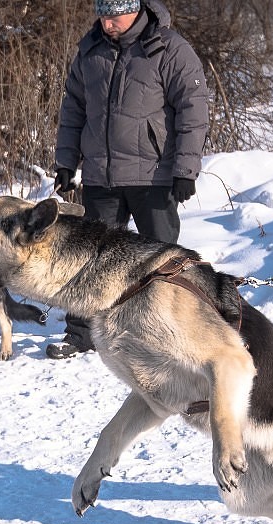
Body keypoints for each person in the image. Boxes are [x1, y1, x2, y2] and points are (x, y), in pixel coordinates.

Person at [47, 0, 209, 359]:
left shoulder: (168, 48)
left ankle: (170, 331)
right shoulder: (90, 50)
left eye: (114, 16)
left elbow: (193, 110)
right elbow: (73, 108)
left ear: (135, 9)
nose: (107, 23)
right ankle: (80, 334)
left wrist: (185, 169)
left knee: (162, 257)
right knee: (88, 256)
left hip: (153, 176)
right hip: (101, 175)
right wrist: (66, 162)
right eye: (101, 15)